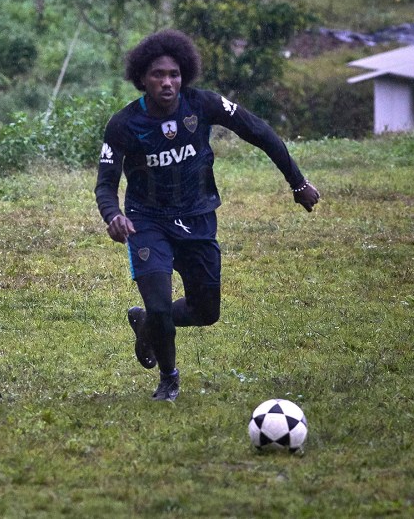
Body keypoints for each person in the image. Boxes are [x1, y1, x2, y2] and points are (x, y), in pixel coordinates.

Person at [95, 29, 320, 402]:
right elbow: (105, 184)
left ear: (184, 75)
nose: (167, 82)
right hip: (146, 221)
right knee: (160, 305)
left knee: (206, 312)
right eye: (157, 75)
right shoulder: (124, 124)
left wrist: (298, 183)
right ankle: (169, 379)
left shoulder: (203, 104)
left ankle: (147, 323)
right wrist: (113, 215)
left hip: (197, 217)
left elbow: (259, 131)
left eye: (174, 74)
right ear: (142, 79)